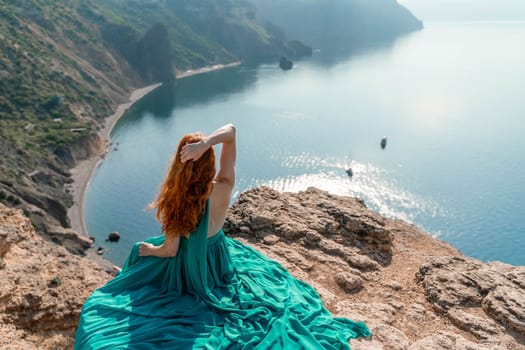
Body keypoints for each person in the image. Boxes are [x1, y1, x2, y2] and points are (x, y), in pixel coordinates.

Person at [74, 124, 370, 349]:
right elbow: (231, 131)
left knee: (142, 248)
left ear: (179, 167)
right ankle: (125, 275)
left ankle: (122, 276)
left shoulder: (177, 203)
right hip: (219, 263)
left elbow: (170, 251)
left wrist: (147, 251)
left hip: (189, 272)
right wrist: (207, 143)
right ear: (207, 162)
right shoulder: (223, 187)